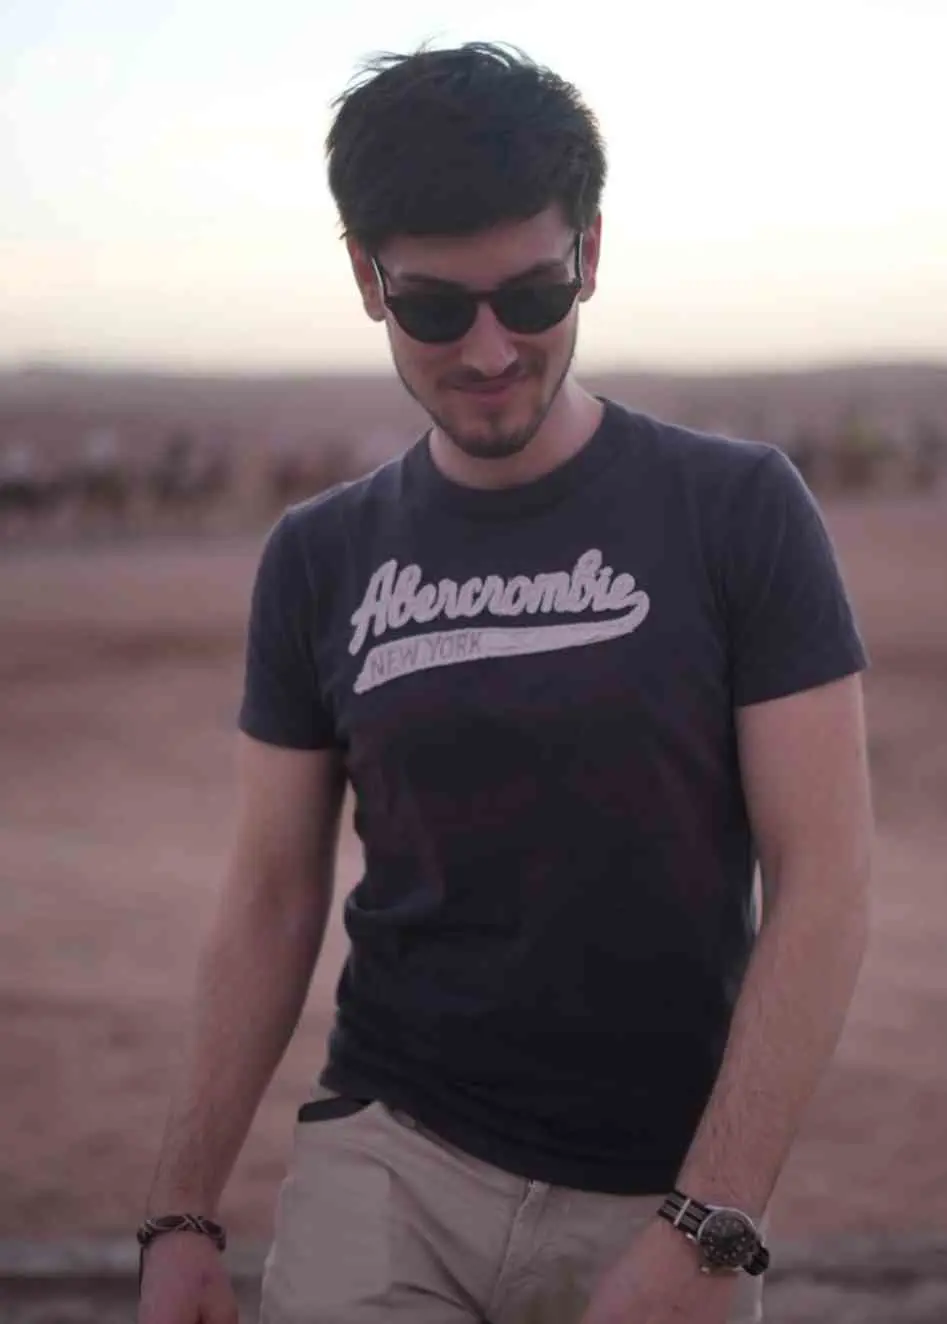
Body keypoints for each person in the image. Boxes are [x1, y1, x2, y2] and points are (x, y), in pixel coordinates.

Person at [137, 41, 873, 1324]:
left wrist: (707, 1226)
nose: (487, 350)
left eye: (530, 295)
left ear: (589, 253)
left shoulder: (737, 510)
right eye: (434, 309)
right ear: (365, 278)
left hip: (657, 1191)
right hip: (387, 1168)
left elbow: (824, 880)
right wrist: (181, 1212)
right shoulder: (318, 556)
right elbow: (269, 893)